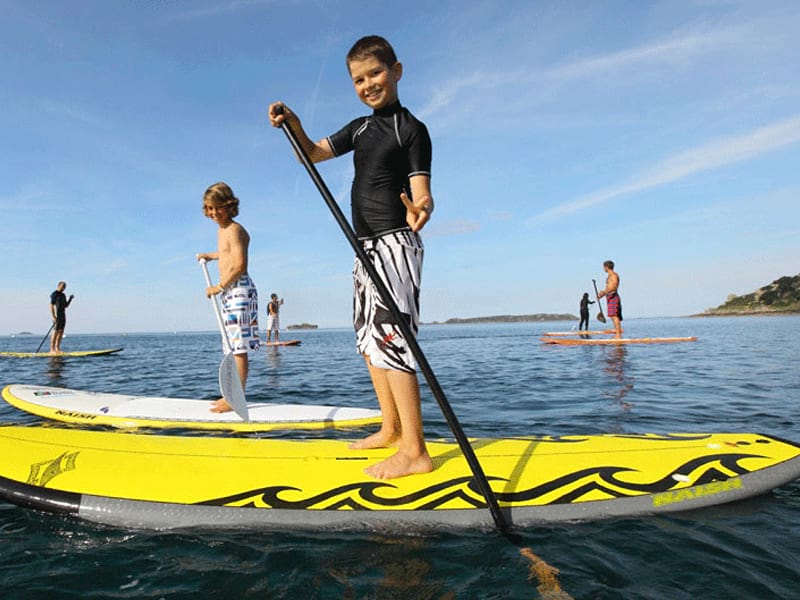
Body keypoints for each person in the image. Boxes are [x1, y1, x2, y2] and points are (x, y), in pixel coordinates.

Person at [268, 35, 435, 479]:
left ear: (396, 71)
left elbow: (422, 195)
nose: (368, 85)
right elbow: (314, 153)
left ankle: (416, 451)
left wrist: (422, 209)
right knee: (368, 339)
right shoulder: (360, 128)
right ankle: (391, 428)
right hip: (364, 250)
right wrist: (296, 124)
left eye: (376, 74)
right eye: (359, 79)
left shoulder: (411, 129)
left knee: (393, 341)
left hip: (396, 241)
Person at [196, 182, 260, 413]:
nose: (213, 213)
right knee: (231, 345)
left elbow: (240, 265)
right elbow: (226, 254)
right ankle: (231, 395)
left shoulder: (234, 229)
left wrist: (218, 286)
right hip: (229, 292)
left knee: (238, 347)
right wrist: (211, 256)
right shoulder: (221, 231)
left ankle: (235, 397)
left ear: (229, 205)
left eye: (218, 208)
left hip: (238, 290)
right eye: (209, 209)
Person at [597, 260, 623, 338]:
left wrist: (604, 292)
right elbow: (608, 288)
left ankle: (618, 335)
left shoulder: (614, 275)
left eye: (604, 267)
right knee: (612, 315)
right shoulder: (609, 276)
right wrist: (601, 295)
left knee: (614, 315)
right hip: (609, 297)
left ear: (606, 267)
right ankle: (617, 333)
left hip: (613, 297)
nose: (603, 269)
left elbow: (614, 286)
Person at [49, 281, 74, 354]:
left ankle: (57, 348)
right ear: (59, 286)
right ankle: (51, 349)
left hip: (63, 315)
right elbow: (51, 306)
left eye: (65, 287)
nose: (64, 288)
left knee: (61, 332)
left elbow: (66, 306)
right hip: (57, 316)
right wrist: (53, 316)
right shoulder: (54, 294)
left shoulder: (63, 295)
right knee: (55, 332)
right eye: (63, 286)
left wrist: (70, 299)